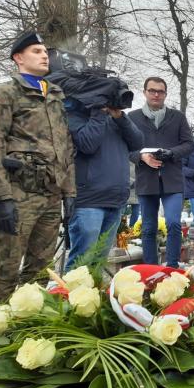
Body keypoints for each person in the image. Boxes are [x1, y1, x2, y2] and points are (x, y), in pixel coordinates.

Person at [0, 32, 76, 303]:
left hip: (51, 197)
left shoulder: (55, 96)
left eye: (45, 52)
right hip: (18, 195)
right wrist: (1, 198)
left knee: (40, 271)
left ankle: (28, 326)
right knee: (7, 269)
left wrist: (69, 193)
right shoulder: (6, 93)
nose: (44, 56)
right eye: (36, 51)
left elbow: (65, 148)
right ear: (18, 57)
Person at [64, 99, 143, 270]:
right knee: (81, 262)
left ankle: (92, 296)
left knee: (99, 263)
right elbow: (87, 144)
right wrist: (98, 113)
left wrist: (120, 117)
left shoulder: (117, 119)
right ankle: (68, 296)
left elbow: (138, 143)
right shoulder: (74, 115)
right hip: (88, 200)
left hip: (115, 199)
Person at [129, 77, 193, 268]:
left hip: (172, 179)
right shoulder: (132, 118)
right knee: (148, 228)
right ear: (144, 92)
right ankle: (151, 270)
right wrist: (142, 157)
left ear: (165, 94)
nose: (156, 94)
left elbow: (189, 144)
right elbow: (126, 148)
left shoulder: (178, 117)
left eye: (160, 91)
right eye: (152, 90)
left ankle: (172, 267)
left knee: (173, 223)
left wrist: (172, 153)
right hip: (146, 180)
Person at [128, 162, 140, 227]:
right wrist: (132, 182)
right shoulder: (127, 159)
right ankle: (120, 230)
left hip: (137, 192)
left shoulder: (141, 160)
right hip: (126, 190)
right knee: (121, 212)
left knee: (136, 213)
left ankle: (132, 229)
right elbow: (122, 172)